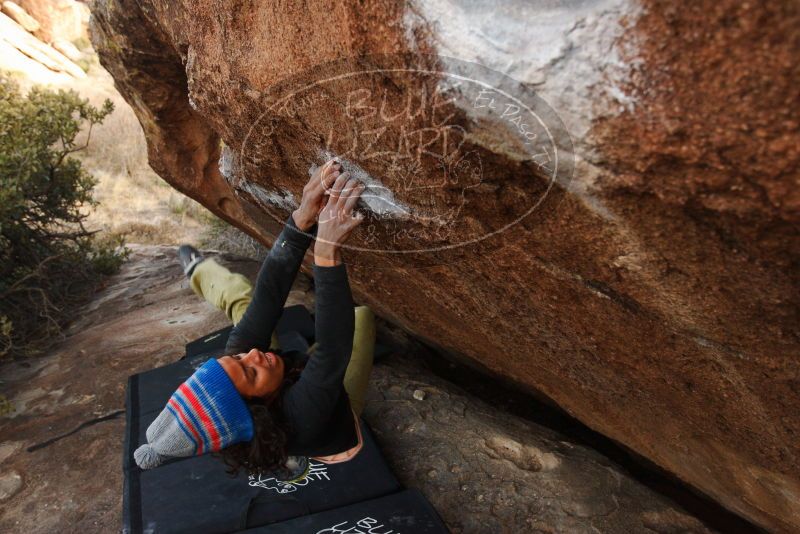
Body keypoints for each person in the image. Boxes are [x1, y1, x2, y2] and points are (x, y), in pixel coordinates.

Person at [133, 159, 375, 481]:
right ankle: (302, 453)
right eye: (249, 371)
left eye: (235, 359)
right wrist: (326, 252)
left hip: (277, 398)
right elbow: (333, 349)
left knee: (245, 303)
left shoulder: (239, 365)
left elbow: (268, 298)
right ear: (259, 409)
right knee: (359, 318)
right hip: (331, 423)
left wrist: (301, 219)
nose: (253, 355)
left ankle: (199, 270)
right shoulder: (300, 417)